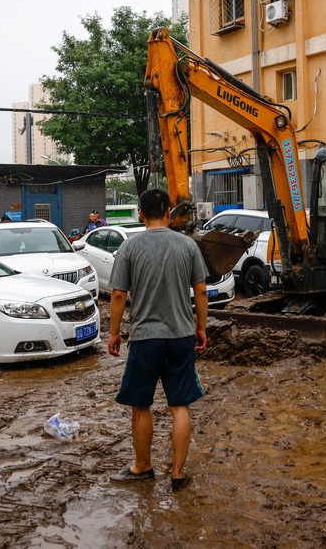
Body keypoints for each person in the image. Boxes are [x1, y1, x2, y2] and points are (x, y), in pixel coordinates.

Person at [107, 188, 208, 493]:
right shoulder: (187, 245)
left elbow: (119, 294)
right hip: (180, 336)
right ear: (168, 213)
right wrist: (201, 327)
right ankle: (178, 473)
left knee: (140, 406)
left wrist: (114, 332)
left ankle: (142, 468)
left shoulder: (130, 247)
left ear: (141, 214)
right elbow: (201, 291)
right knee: (180, 405)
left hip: (145, 339)